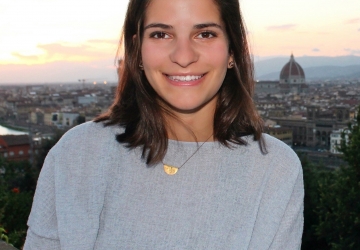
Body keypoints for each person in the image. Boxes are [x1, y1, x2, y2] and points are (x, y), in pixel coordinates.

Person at [24, 0, 304, 249]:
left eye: (205, 34)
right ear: (138, 50)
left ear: (233, 49)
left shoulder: (274, 169)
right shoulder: (78, 155)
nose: (183, 56)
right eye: (161, 34)